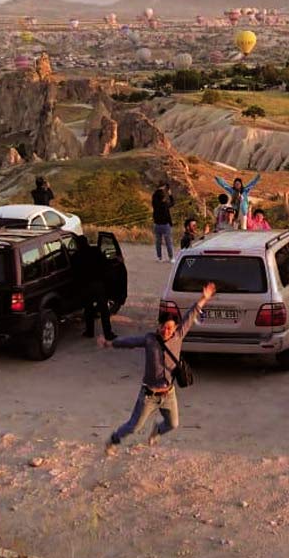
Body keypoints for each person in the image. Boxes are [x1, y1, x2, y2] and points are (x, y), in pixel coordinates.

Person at [99, 282, 216, 450]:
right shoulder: (149, 339)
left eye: (169, 328)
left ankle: (157, 430)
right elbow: (129, 342)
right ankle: (113, 440)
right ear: (158, 325)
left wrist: (204, 298)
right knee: (134, 427)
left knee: (173, 424)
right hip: (148, 395)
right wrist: (109, 343)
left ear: (175, 328)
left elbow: (191, 315)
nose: (165, 331)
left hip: (169, 394)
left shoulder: (178, 336)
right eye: (163, 327)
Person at [73, 234, 116, 341]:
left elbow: (74, 273)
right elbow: (106, 264)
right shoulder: (95, 251)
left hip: (85, 287)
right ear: (87, 242)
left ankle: (89, 331)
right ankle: (108, 334)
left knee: (88, 309)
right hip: (98, 285)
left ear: (77, 245)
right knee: (104, 310)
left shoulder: (76, 256)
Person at [151, 182, 175, 262]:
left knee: (158, 242)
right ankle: (171, 257)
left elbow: (154, 196)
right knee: (168, 242)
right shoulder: (164, 205)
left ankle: (159, 257)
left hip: (157, 224)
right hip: (165, 225)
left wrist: (159, 189)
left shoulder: (155, 203)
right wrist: (170, 194)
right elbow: (172, 203)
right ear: (163, 198)